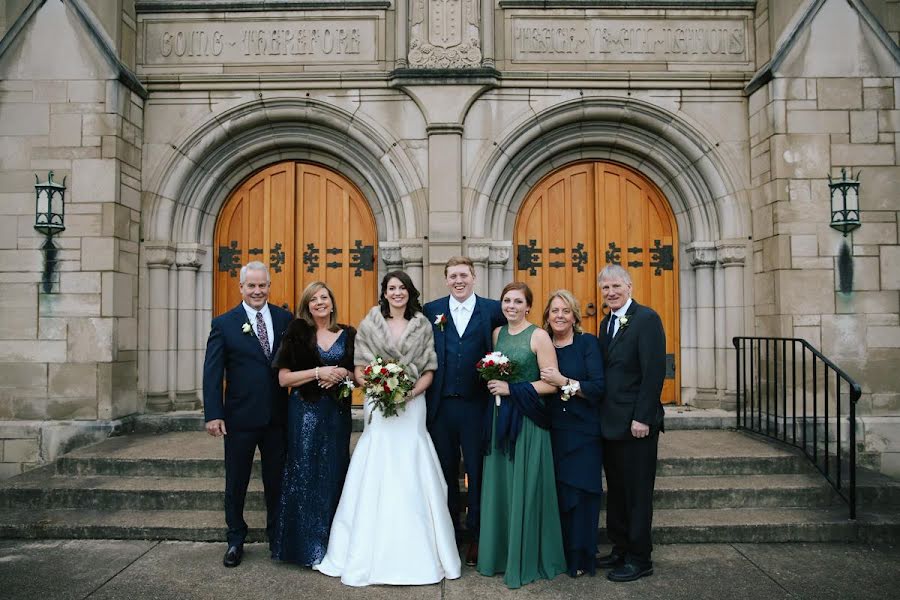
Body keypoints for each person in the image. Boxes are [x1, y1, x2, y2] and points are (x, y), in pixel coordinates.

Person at [314, 271, 461, 586]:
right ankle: (368, 553)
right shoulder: (370, 324)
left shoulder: (422, 325)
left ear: (410, 292)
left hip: (412, 406)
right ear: (384, 292)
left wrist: (407, 393)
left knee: (411, 464)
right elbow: (358, 369)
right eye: (392, 288)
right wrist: (380, 389)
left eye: (402, 288)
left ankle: (422, 552)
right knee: (377, 462)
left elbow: (429, 369)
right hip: (378, 405)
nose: (397, 293)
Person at [202, 261, 293, 568]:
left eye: (262, 285)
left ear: (269, 285)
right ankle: (235, 539)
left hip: (278, 419)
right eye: (251, 286)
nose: (257, 291)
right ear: (241, 287)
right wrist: (214, 413)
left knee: (276, 482)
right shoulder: (224, 324)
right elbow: (212, 373)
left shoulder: (285, 319)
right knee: (237, 481)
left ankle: (278, 538)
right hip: (239, 418)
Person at [477, 282, 567, 589]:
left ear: (528, 306)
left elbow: (552, 384)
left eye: (518, 301)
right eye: (507, 301)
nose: (511, 306)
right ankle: (500, 554)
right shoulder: (496, 334)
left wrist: (511, 390)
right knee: (501, 486)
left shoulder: (539, 336)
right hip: (499, 419)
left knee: (524, 487)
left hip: (527, 421)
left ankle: (525, 555)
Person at [422, 256, 505, 565]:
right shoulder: (432, 310)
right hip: (441, 407)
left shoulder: (492, 310)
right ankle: (449, 534)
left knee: (477, 472)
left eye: (464, 275)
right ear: (446, 280)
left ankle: (477, 536)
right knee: (443, 472)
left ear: (474, 277)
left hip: (476, 406)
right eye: (453, 276)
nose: (458, 280)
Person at [270, 281, 356, 566]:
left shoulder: (349, 333)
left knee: (334, 472)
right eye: (313, 299)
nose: (320, 302)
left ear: (332, 302)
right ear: (307, 306)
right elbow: (284, 379)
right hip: (305, 412)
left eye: (324, 297)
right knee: (303, 474)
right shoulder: (297, 332)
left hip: (337, 416)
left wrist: (342, 372)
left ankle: (334, 548)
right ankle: (303, 549)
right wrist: (318, 371)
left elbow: (358, 375)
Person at [596, 264, 666, 582]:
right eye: (605, 288)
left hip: (637, 425)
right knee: (618, 492)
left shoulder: (647, 319)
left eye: (615, 286)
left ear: (629, 286)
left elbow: (653, 373)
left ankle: (640, 558)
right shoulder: (605, 323)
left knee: (637, 494)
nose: (610, 292)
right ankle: (621, 548)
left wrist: (643, 417)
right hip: (611, 424)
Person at [538, 290, 605, 578]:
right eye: (555, 311)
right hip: (552, 431)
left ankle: (582, 556)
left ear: (575, 316)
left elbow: (597, 387)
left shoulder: (587, 343)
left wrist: (563, 381)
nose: (560, 316)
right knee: (560, 496)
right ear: (547, 316)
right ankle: (561, 555)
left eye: (566, 311)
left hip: (584, 432)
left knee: (584, 495)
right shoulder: (541, 344)